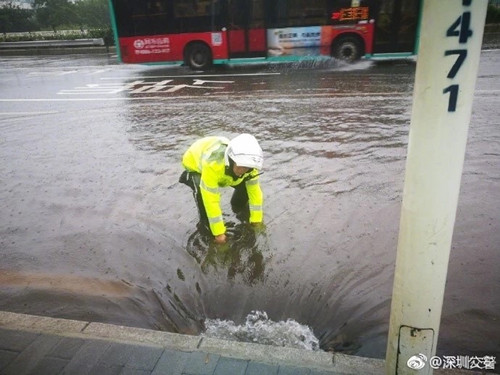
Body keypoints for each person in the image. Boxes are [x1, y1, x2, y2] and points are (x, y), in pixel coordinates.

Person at [179, 134, 264, 244]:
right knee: (202, 195)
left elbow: (255, 193)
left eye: (247, 168)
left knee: (246, 188)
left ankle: (237, 207)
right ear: (231, 160)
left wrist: (256, 221)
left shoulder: (251, 168)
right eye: (240, 166)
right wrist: (219, 233)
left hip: (225, 173)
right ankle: (206, 225)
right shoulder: (212, 165)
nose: (243, 170)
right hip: (194, 166)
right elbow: (211, 200)